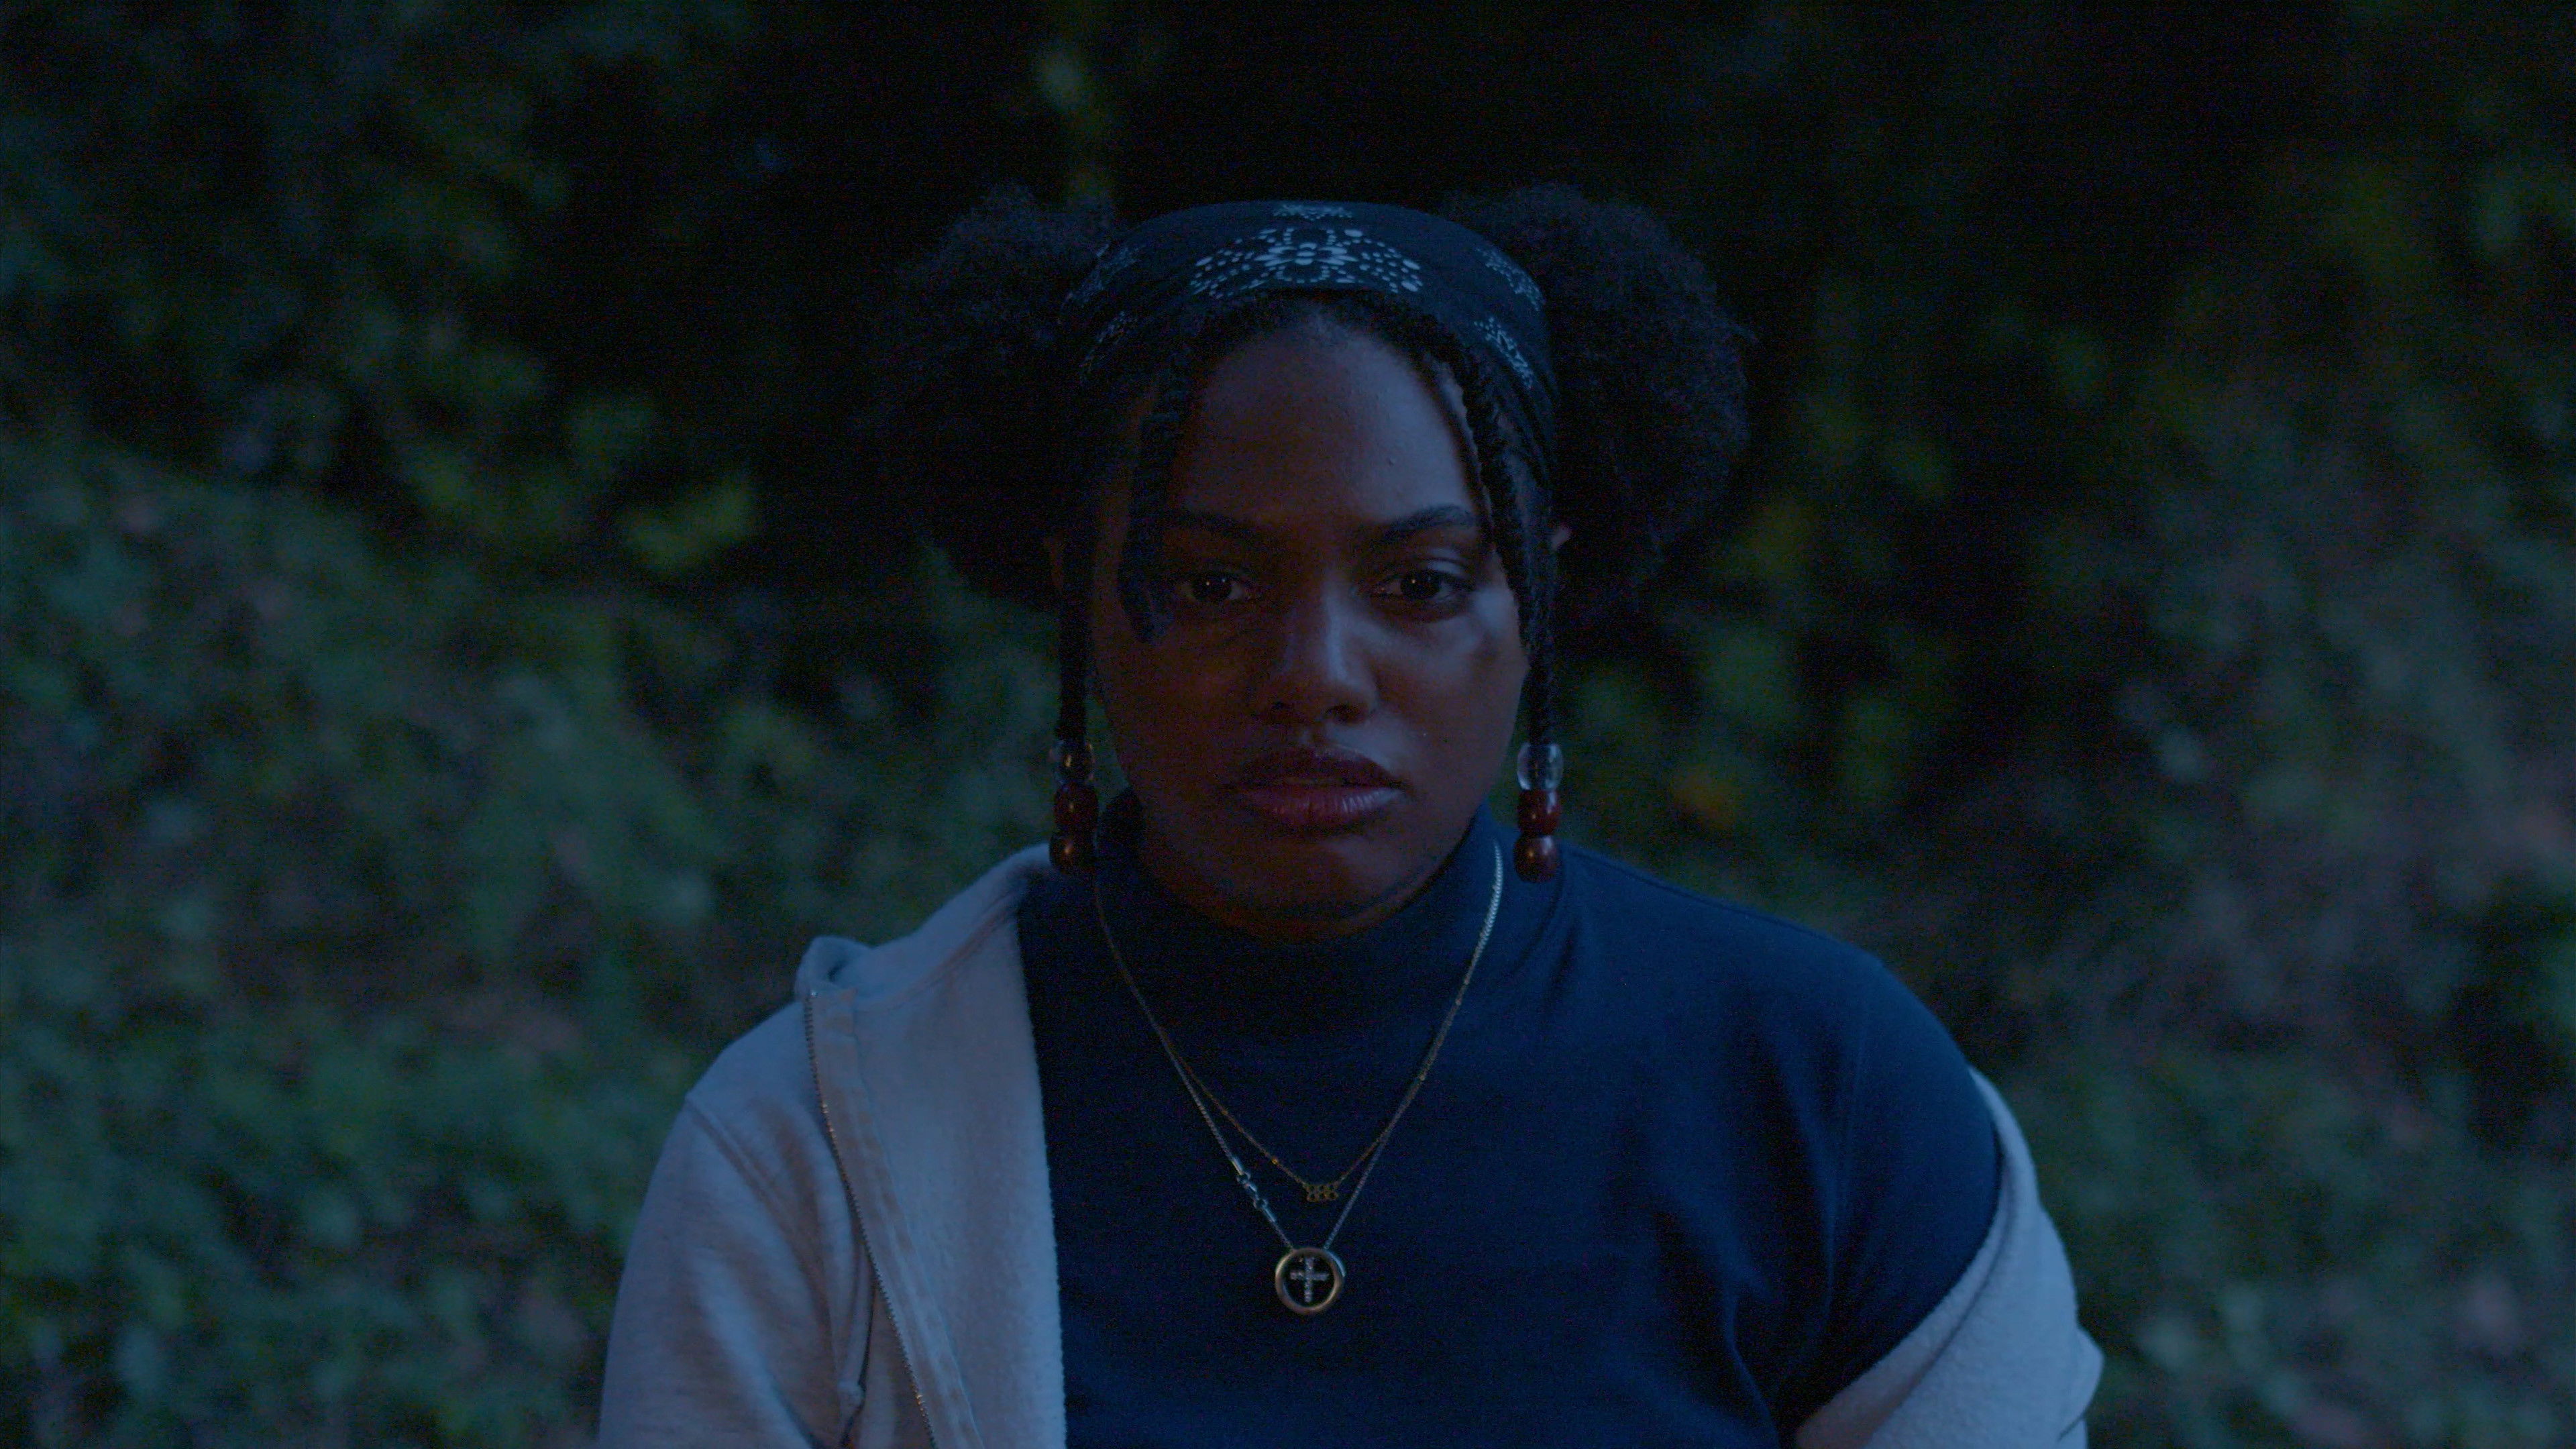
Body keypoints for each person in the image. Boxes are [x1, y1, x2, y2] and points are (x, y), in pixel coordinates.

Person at [596, 187, 2100, 1448]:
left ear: (1539, 594)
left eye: (1421, 583)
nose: (1315, 673)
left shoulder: (1830, 1102)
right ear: (1077, 591)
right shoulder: (816, 1146)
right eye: (1210, 583)